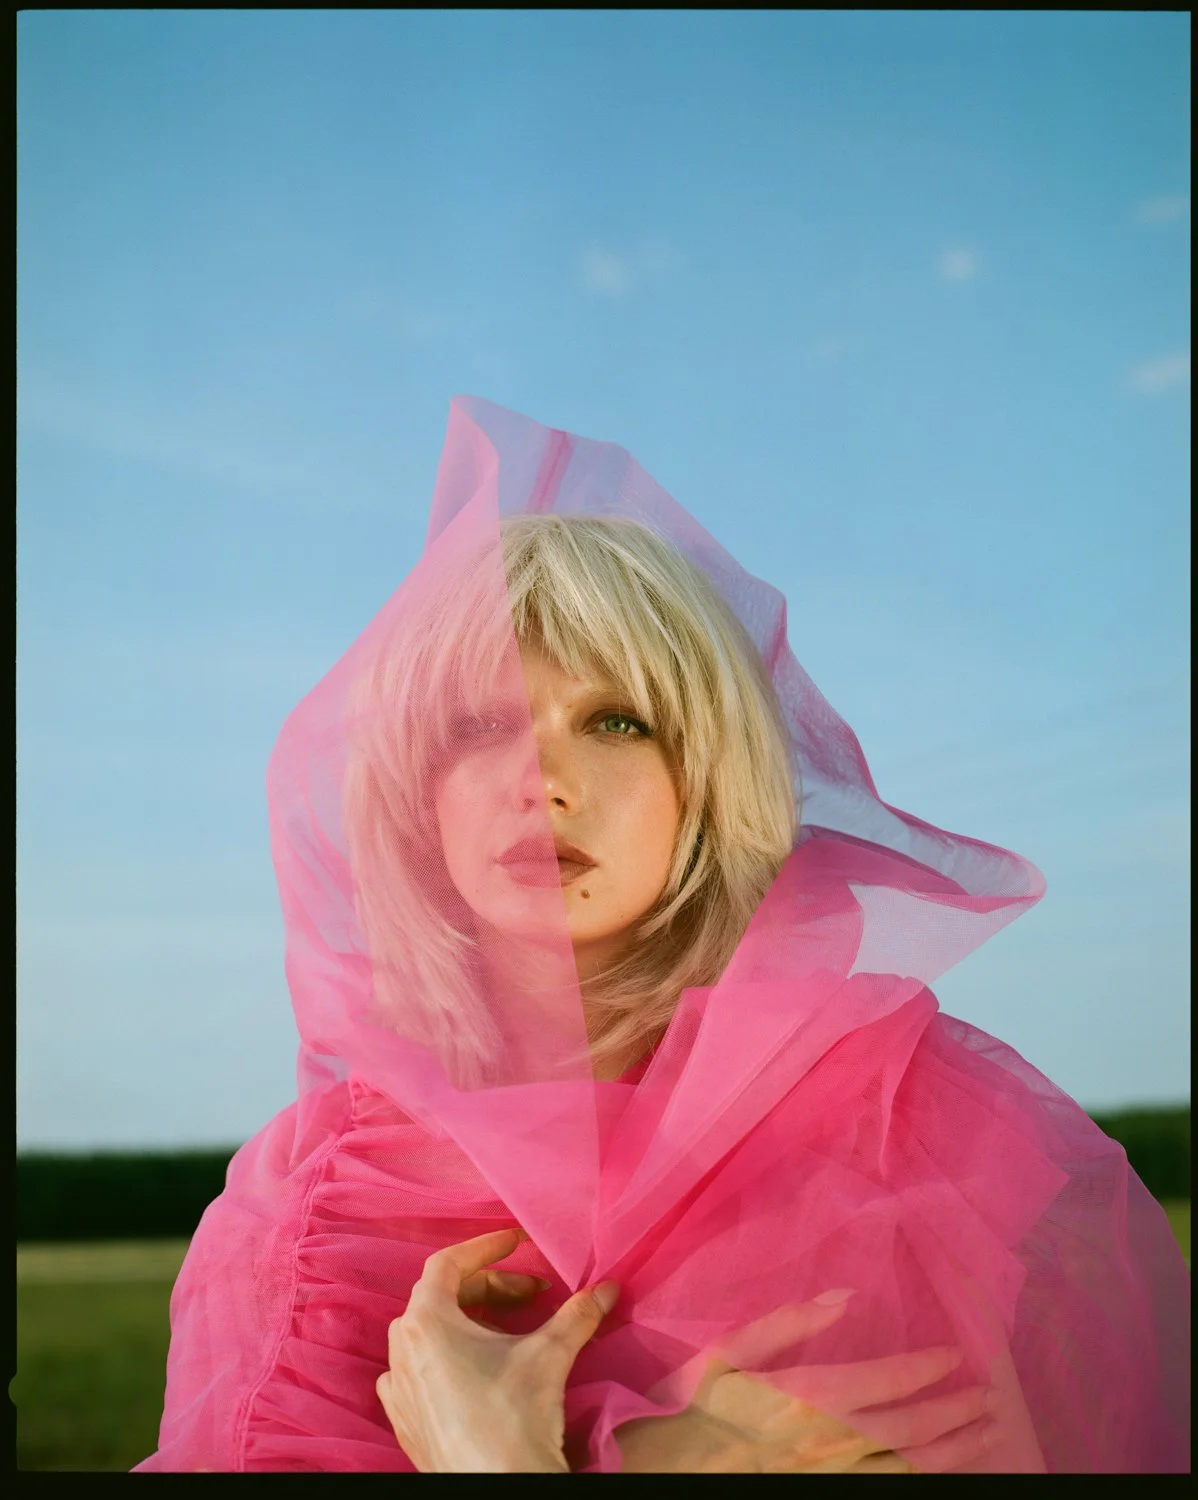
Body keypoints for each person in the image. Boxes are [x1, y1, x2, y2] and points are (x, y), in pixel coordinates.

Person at [134, 397, 1189, 1473]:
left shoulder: (921, 1136)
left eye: (616, 721)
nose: (542, 781)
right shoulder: (305, 1211)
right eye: (481, 726)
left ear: (704, 780)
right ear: (415, 799)